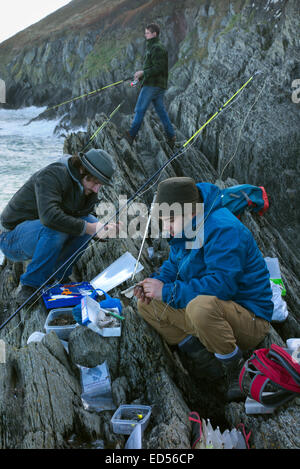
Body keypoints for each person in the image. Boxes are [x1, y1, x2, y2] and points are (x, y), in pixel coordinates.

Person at [134, 177, 273, 402]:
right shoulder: (189, 227)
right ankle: (207, 360)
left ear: (192, 211)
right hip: (214, 313)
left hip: (250, 319)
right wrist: (153, 285)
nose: (166, 228)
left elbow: (222, 286)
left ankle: (235, 370)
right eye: (163, 221)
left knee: (200, 308)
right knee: (147, 306)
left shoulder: (223, 229)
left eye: (170, 220)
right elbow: (174, 266)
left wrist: (167, 292)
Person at [0, 149, 118, 305]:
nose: (96, 189)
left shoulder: (87, 189)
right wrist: (91, 228)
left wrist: (103, 232)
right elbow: (50, 217)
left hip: (38, 234)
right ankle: (30, 285)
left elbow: (83, 222)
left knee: (89, 221)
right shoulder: (52, 175)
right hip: (11, 238)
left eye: (100, 185)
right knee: (60, 228)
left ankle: (57, 276)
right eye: (95, 182)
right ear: (82, 170)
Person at [124, 23, 176, 148]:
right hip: (159, 86)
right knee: (161, 111)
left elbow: (159, 68)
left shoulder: (157, 48)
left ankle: (131, 135)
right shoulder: (155, 47)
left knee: (140, 109)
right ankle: (171, 136)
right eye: (145, 32)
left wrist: (143, 72)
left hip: (152, 85)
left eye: (147, 33)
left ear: (154, 34)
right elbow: (155, 68)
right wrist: (141, 76)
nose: (145, 35)